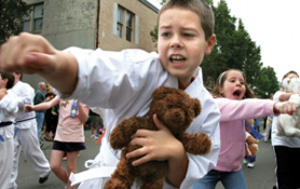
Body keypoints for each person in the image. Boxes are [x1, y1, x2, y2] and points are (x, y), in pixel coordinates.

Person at [0, 0, 221, 188]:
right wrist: (54, 63)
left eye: (188, 35)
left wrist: (175, 151)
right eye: (166, 33)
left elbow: (185, 176)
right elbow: (98, 71)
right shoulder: (142, 69)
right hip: (108, 179)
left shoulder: (208, 109)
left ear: (208, 44)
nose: (175, 42)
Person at [193, 69, 297, 189]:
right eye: (232, 80)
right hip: (207, 170)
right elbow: (244, 106)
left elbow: (236, 130)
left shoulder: (239, 112)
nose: (238, 83)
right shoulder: (215, 105)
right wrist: (274, 105)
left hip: (233, 169)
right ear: (220, 88)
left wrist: (246, 139)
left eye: (242, 82)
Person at [24, 96, 89, 189]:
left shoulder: (83, 98)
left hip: (75, 137)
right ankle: (71, 184)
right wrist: (33, 108)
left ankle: (71, 186)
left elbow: (84, 119)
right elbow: (48, 104)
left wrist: (79, 105)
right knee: (54, 166)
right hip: (60, 136)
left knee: (71, 167)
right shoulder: (62, 95)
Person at [8, 72, 51, 189]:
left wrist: (10, 100)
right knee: (11, 154)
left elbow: (26, 100)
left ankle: (44, 170)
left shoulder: (25, 87)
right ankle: (10, 184)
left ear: (18, 74)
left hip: (27, 123)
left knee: (31, 151)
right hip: (12, 124)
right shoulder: (6, 88)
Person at [271, 70, 300, 189]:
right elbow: (283, 97)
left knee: (297, 176)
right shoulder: (278, 94)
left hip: (298, 142)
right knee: (283, 173)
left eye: (296, 79)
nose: (294, 81)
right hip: (281, 141)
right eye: (290, 79)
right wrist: (296, 94)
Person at [0, 71, 18, 189]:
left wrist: (2, 96)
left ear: (4, 81)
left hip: (4, 132)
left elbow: (12, 108)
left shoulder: (11, 95)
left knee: (4, 166)